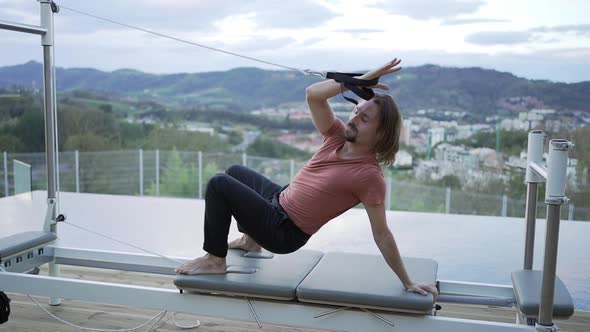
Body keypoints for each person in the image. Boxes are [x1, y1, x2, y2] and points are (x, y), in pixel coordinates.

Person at [175, 58, 438, 298]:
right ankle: (249, 241)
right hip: (279, 201)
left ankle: (215, 260)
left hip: (284, 231)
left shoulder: (368, 176)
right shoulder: (336, 136)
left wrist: (407, 281)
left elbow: (381, 234)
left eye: (364, 118)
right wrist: (361, 80)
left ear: (381, 135)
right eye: (357, 110)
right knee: (234, 172)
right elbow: (314, 95)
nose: (354, 118)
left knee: (219, 185)